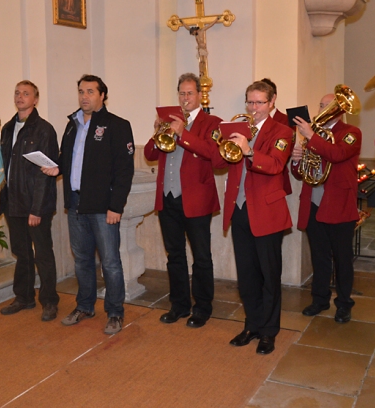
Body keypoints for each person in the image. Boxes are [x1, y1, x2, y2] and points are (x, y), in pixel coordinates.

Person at [43, 75, 135, 335]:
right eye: (81, 91)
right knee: (82, 260)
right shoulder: (72, 124)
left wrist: (116, 206)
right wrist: (55, 168)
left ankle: (115, 312)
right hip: (75, 204)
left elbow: (124, 171)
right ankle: (84, 306)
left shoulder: (116, 125)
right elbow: (65, 158)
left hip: (103, 206)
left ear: (102, 95)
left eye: (90, 91)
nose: (84, 96)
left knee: (110, 262)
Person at [218, 81, 293, 355]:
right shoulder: (240, 129)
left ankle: (269, 332)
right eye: (250, 102)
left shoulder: (283, 131)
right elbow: (221, 162)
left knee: (269, 275)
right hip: (239, 209)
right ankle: (252, 324)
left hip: (267, 212)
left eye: (260, 102)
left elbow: (275, 165)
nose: (254, 108)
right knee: (246, 275)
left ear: (272, 102)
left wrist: (249, 149)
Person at [143, 73, 222, 328]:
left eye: (189, 93)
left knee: (201, 257)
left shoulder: (212, 122)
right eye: (181, 93)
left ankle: (202, 307)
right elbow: (149, 154)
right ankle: (179, 304)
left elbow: (213, 154)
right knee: (174, 255)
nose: (185, 98)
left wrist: (183, 133)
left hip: (196, 200)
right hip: (168, 199)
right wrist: (158, 131)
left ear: (200, 95)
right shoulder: (169, 120)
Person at [291, 93, 361, 323]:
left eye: (328, 106)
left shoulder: (351, 133)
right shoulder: (315, 135)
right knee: (319, 256)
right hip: (314, 202)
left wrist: (310, 136)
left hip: (339, 204)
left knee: (342, 257)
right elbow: (301, 172)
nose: (322, 109)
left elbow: (337, 154)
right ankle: (319, 300)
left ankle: (344, 303)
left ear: (340, 110)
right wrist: (296, 159)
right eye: (320, 105)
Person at [0, 81, 60, 322]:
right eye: (17, 93)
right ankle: (23, 297)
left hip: (35, 204)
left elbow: (45, 173)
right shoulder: (7, 128)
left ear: (35, 100)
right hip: (13, 202)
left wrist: (37, 209)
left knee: (42, 253)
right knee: (21, 252)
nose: (20, 97)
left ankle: (49, 301)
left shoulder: (44, 130)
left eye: (26, 93)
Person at [260, 78, 294, 196]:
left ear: (272, 98)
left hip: (276, 178)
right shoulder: (248, 121)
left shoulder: (286, 121)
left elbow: (286, 151)